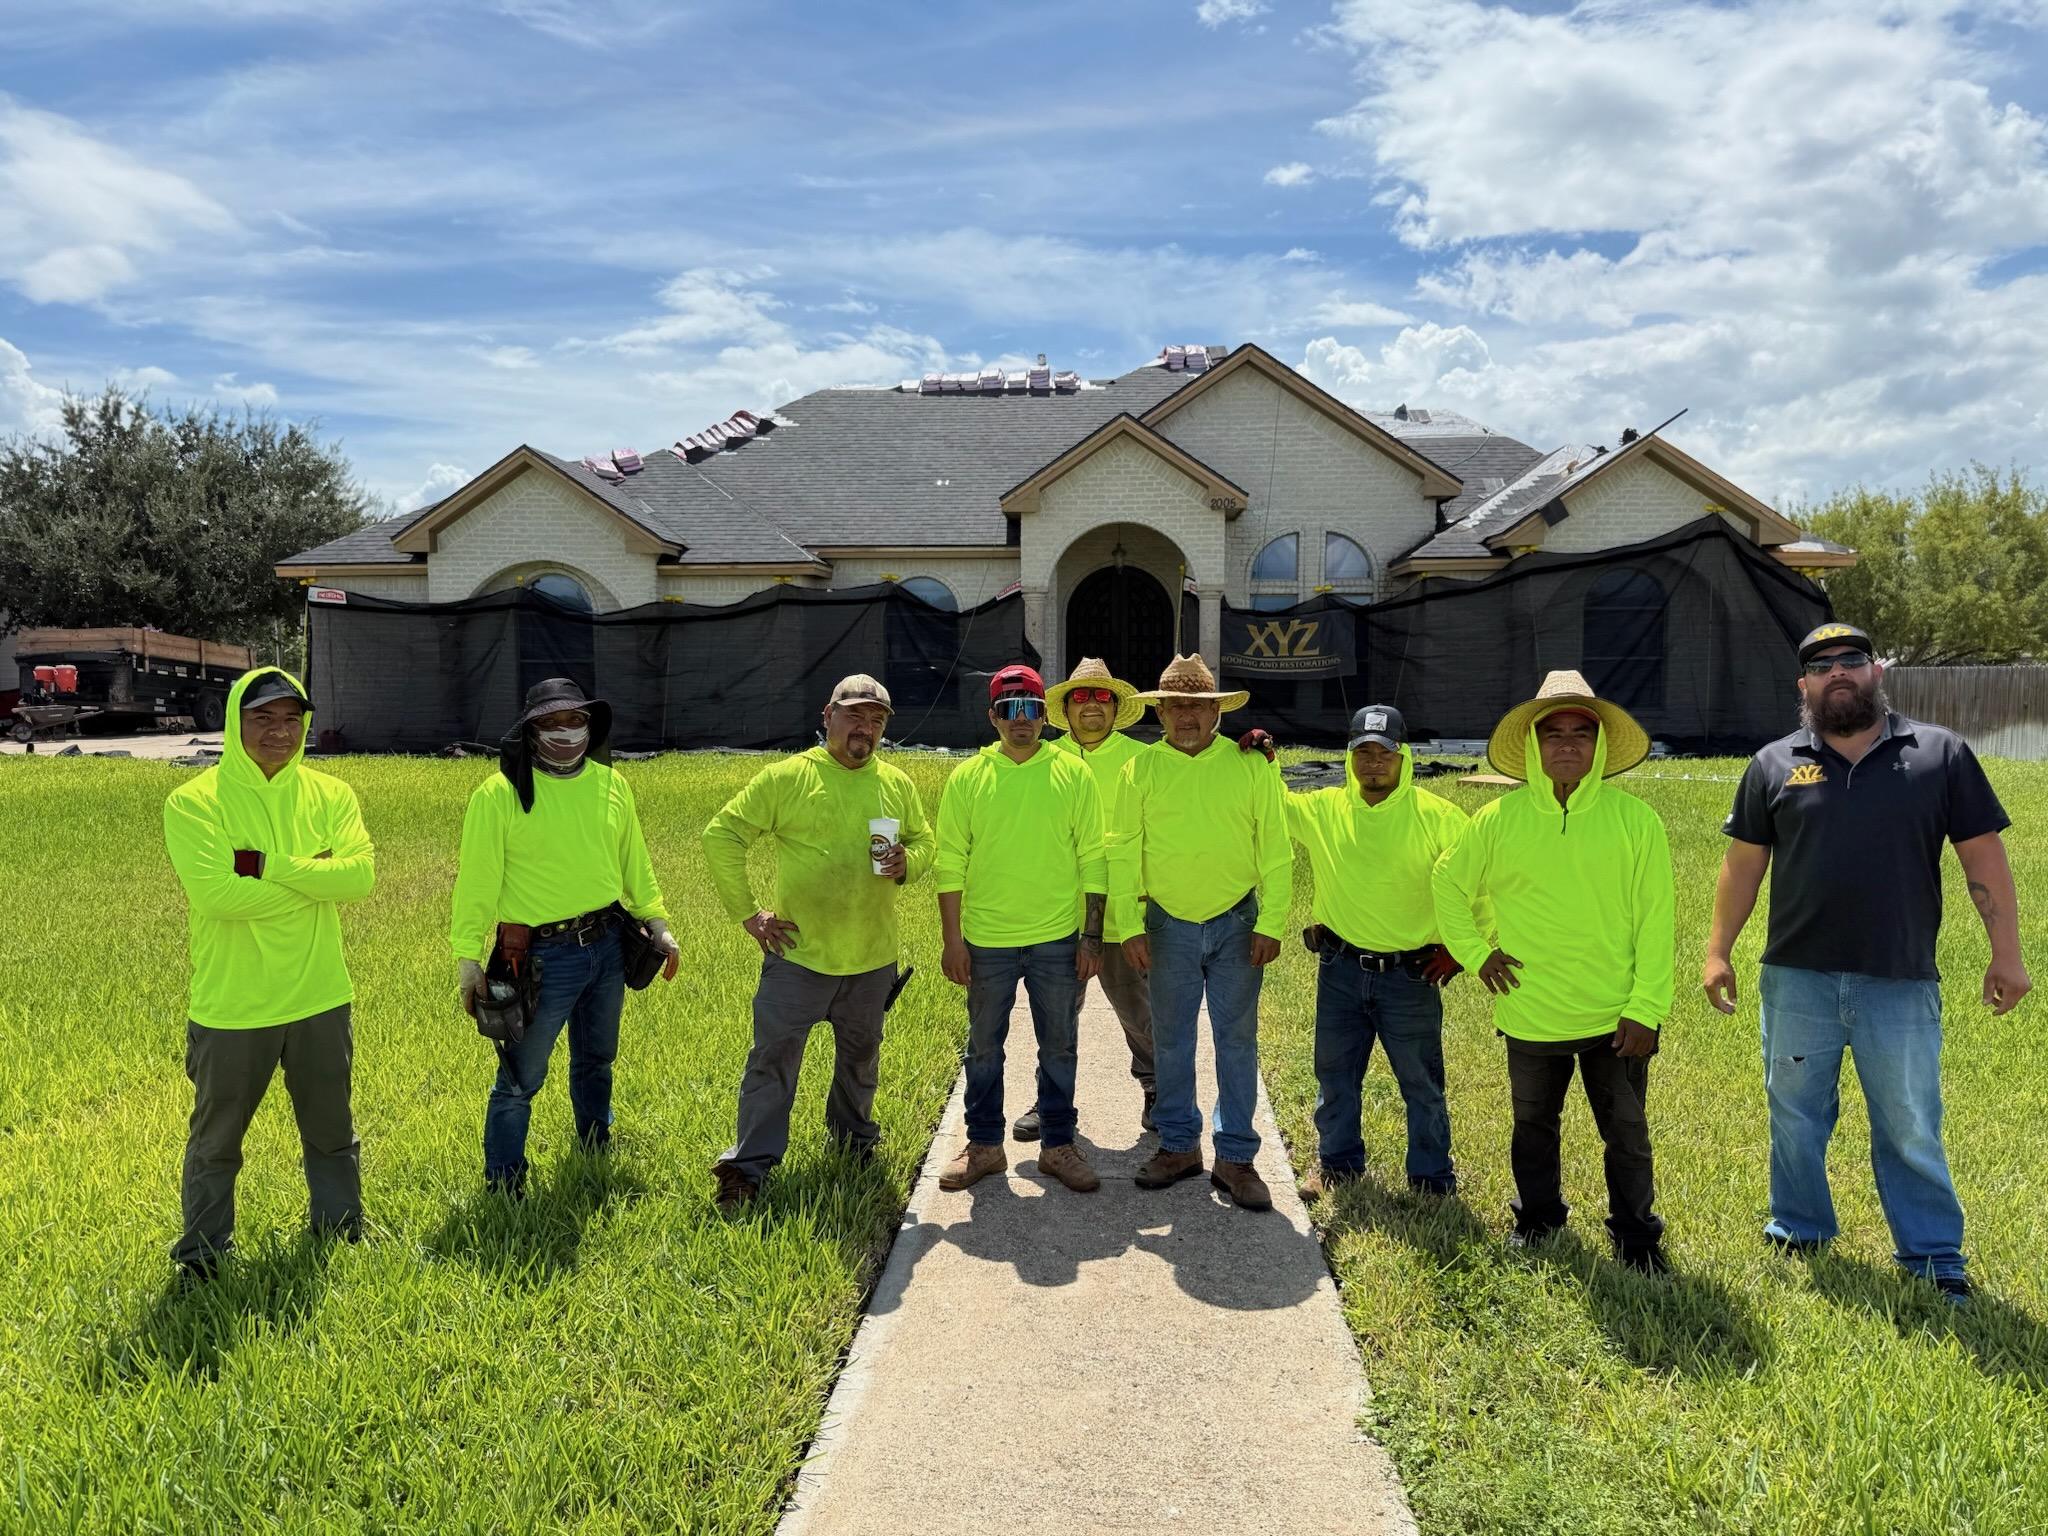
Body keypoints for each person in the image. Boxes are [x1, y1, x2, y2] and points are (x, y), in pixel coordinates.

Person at [1702, 622, 2027, 1301]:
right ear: (1804, 685)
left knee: (1909, 1121)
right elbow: (1742, 868)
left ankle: (1934, 1259)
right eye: (1822, 666)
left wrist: (2007, 954)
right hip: (1797, 978)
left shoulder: (1939, 754)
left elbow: (1982, 858)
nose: (1838, 672)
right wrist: (1717, 951)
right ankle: (1798, 1229)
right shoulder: (1773, 764)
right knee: (1794, 1113)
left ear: (1876, 671)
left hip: (1899, 980)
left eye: (1852, 660)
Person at [1432, 670, 1674, 1271]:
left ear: (1598, 747)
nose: (1567, 745)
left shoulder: (1635, 820)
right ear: (1535, 746)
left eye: (1581, 733)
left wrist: (1646, 1007)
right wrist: (1475, 952)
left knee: (1626, 1133)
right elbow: (1447, 881)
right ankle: (1538, 1220)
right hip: (1531, 1008)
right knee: (1533, 1126)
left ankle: (1635, 1237)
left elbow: (1656, 920)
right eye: (1553, 733)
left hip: (1615, 1013)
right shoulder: (1498, 818)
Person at [162, 667, 376, 1278]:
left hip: (319, 996)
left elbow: (359, 878)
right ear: (235, 721)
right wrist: (315, 878)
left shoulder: (332, 794)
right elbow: (217, 898)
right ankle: (202, 1256)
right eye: (262, 717)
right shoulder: (194, 801)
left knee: (332, 1130)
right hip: (234, 1005)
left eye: (291, 719)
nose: (279, 732)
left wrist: (266, 865)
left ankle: (341, 1231)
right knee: (216, 1142)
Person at [703, 674, 935, 1213]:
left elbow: (926, 842)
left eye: (877, 720)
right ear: (827, 715)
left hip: (872, 956)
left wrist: (910, 863)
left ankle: (854, 1144)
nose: (866, 729)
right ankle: (748, 1167)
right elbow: (723, 834)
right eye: (855, 716)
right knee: (773, 1062)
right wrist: (748, 914)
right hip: (798, 957)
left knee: (860, 1059)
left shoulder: (895, 783)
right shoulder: (788, 777)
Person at [450, 678, 678, 1199]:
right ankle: (504, 1183)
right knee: (520, 1078)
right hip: (538, 956)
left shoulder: (611, 784)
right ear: (530, 732)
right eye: (551, 724)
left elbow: (633, 862)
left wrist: (658, 923)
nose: (565, 732)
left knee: (597, 1057)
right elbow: (477, 882)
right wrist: (467, 957)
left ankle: (596, 1145)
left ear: (590, 726)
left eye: (574, 721)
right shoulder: (500, 792)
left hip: (606, 944)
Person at [1109, 654, 1291, 1210]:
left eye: (1198, 706)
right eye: (1176, 705)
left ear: (1214, 712)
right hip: (1167, 922)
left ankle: (1236, 1157)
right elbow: (1120, 850)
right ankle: (1180, 1145)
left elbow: (1276, 847)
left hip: (1238, 920)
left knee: (1236, 1040)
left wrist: (1273, 919)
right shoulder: (1138, 770)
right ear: (1159, 712)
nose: (1187, 715)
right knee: (1172, 1038)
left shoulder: (1250, 765)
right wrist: (1126, 925)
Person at [1270, 704, 1468, 1199]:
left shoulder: (1439, 818)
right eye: (1363, 752)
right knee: (1335, 1077)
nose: (1373, 762)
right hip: (1340, 967)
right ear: (1349, 756)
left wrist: (1461, 951)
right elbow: (1272, 804)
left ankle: (1431, 1179)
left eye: (1385, 753)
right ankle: (1337, 1165)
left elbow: (1481, 888)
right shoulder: (1326, 808)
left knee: (1421, 1084)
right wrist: (1262, 758)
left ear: (1404, 757)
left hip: (1410, 975)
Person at [933, 664, 1107, 1194]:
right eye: (1009, 709)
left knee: (1059, 1044)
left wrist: (1091, 936)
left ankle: (1057, 1146)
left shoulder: (1072, 773)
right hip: (987, 941)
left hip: (1056, 938)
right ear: (993, 717)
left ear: (1045, 715)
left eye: (1031, 708)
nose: (1021, 720)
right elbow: (948, 862)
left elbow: (1093, 857)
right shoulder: (968, 777)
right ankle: (985, 1145)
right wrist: (953, 940)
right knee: (983, 1046)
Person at [1032, 656, 1155, 1138]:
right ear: (1064, 708)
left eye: (1102, 696)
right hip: (1062, 911)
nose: (1091, 705)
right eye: (1080, 696)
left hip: (1125, 910)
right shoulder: (1046, 759)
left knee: (1139, 1011)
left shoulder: (1142, 757)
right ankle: (1050, 1102)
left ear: (1115, 706)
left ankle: (1155, 1090)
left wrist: (1255, 750)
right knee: (1057, 1013)